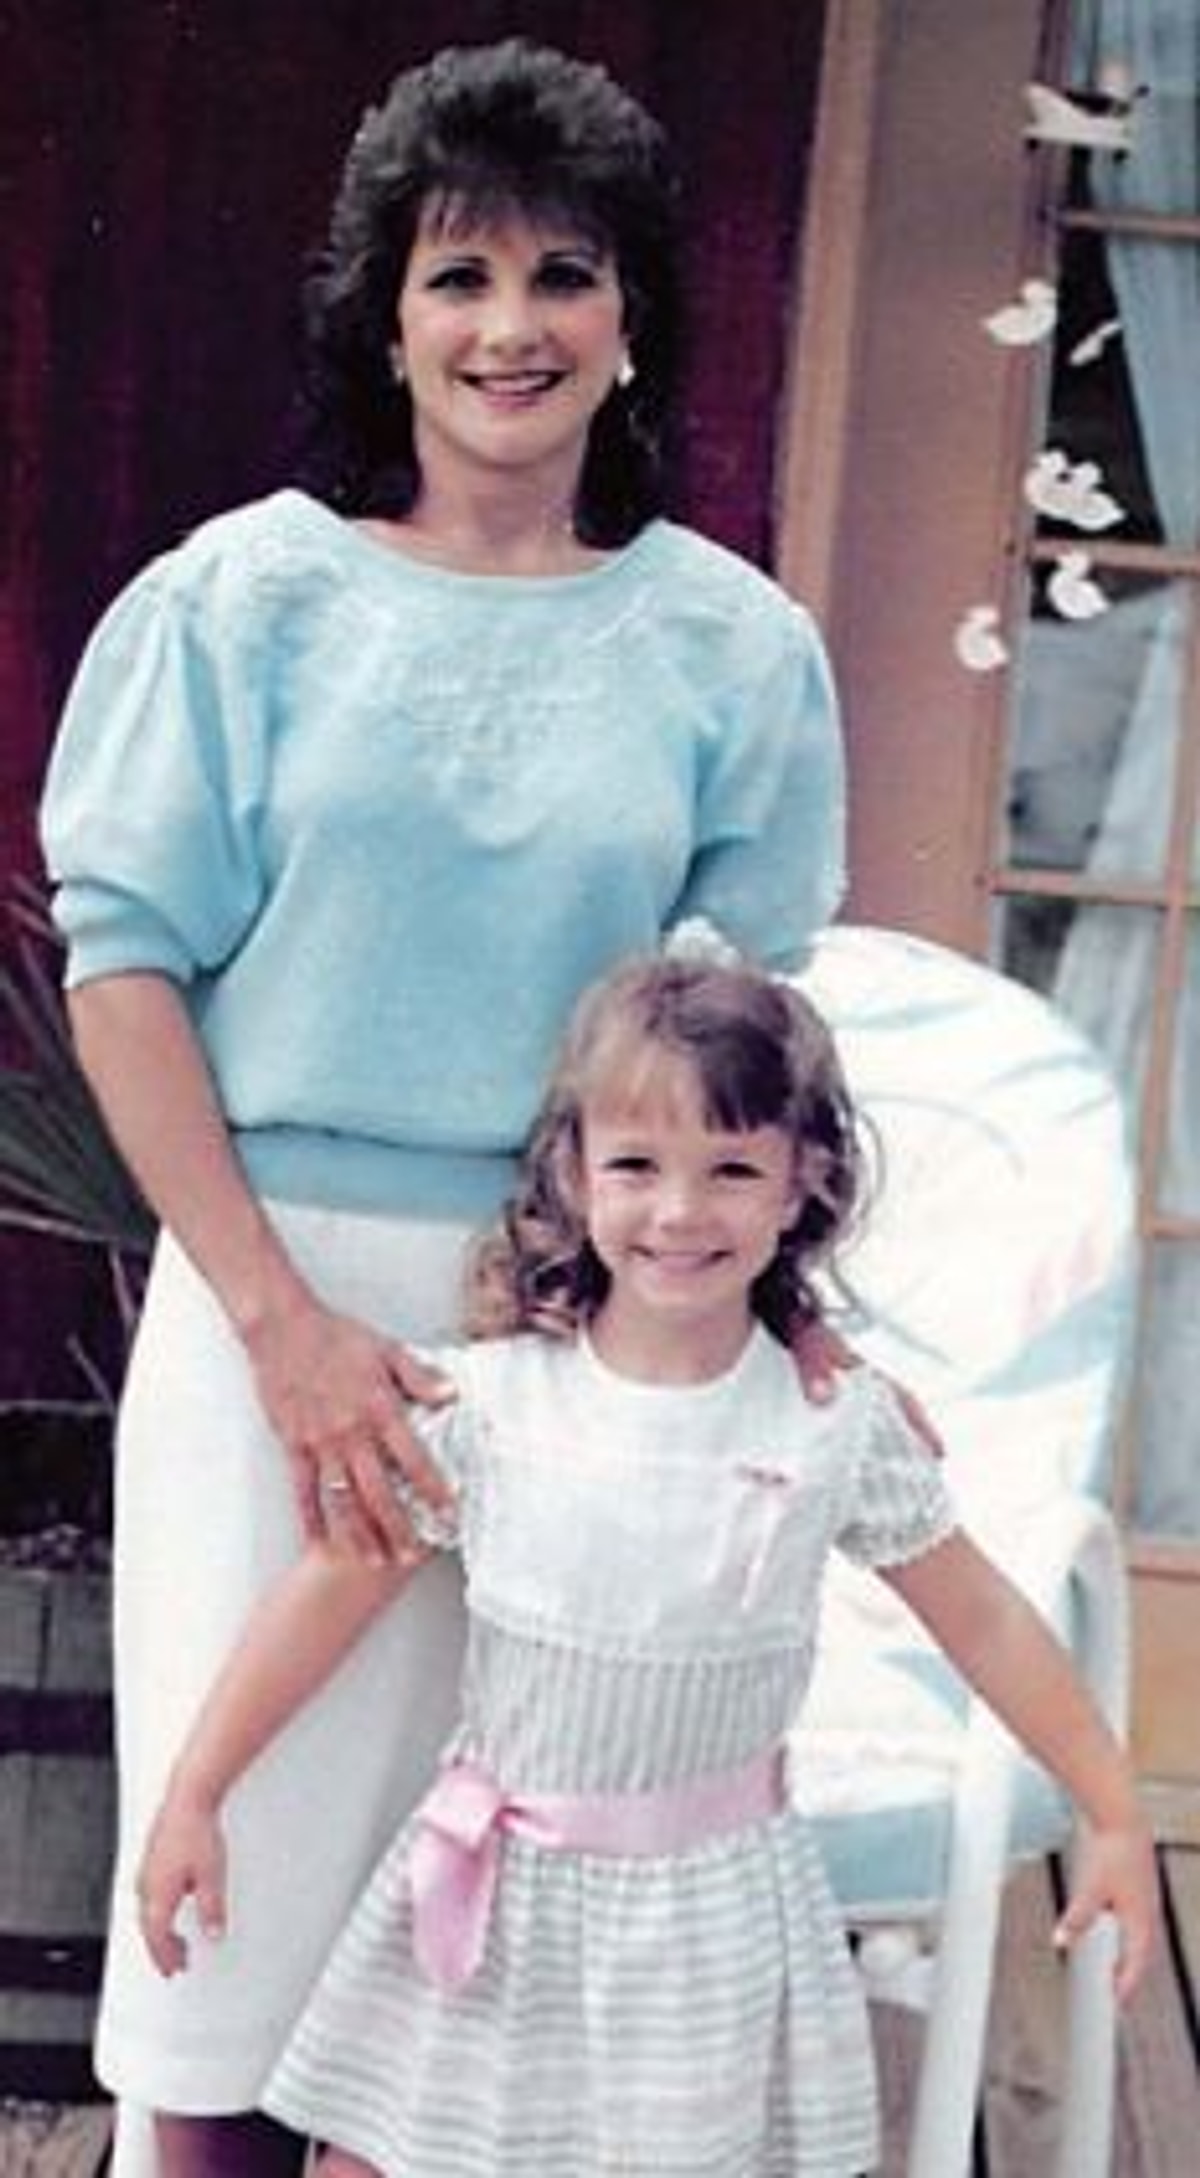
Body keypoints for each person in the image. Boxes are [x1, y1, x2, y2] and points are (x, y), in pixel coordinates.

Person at [37, 37, 852, 2178]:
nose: (512, 328)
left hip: (591, 1339)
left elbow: (739, 1047)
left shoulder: (735, 651)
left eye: (564, 274)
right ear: (384, 317)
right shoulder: (236, 606)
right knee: (230, 1938)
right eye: (460, 275)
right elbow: (125, 974)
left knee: (489, 1957)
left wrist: (750, 1322)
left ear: (631, 317)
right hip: (272, 1316)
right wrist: (284, 1327)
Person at [135, 951, 1158, 2178]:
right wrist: (196, 1791)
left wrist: (1109, 1806)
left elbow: (983, 1617)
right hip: (497, 1901)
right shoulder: (486, 1408)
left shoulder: (832, 1425)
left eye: (732, 1170)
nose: (680, 1212)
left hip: (707, 1923)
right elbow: (325, 1595)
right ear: (575, 1174)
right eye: (636, 1166)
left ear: (802, 1181)